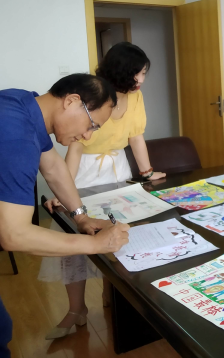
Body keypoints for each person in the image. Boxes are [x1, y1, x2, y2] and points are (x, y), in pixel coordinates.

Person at [40, 42, 165, 339]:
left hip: (118, 168)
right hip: (85, 170)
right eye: (138, 73)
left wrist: (146, 173)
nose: (142, 79)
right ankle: (76, 309)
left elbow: (136, 137)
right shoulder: (94, 95)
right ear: (122, 70)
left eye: (144, 73)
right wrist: (64, 190)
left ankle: (113, 296)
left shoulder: (136, 97)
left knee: (118, 234)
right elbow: (74, 148)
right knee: (77, 238)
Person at [0, 74, 130, 356]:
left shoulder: (23, 103)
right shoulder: (16, 136)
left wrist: (81, 217)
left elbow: (53, 167)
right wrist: (94, 244)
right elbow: (14, 235)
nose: (87, 136)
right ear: (71, 101)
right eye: (91, 125)